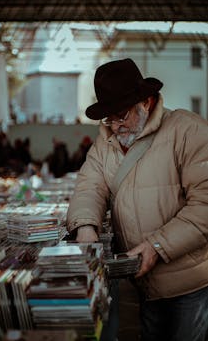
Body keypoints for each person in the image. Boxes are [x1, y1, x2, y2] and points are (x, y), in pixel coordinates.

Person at [66, 58, 208, 341]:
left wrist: (157, 246)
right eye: (110, 117)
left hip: (190, 285)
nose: (116, 125)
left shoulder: (188, 130)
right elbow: (89, 187)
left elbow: (204, 205)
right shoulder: (104, 141)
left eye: (122, 115)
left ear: (146, 101)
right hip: (142, 284)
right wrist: (85, 228)